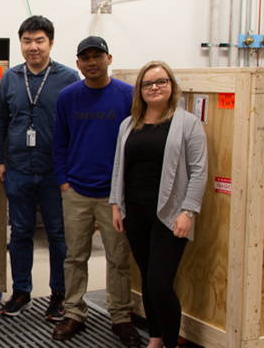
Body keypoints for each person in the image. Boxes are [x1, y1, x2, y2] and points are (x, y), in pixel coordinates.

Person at [109, 60, 208, 348]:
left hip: (170, 215)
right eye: (148, 83)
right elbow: (119, 166)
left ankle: (171, 342)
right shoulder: (129, 124)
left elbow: (200, 170)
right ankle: (155, 338)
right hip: (135, 214)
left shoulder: (187, 123)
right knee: (148, 283)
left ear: (171, 86)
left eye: (161, 82)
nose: (154, 87)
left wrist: (188, 211)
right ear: (139, 89)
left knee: (159, 284)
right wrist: (117, 205)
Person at [51, 36, 140, 346]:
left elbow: (136, 144)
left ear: (109, 58)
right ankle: (74, 311)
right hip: (75, 190)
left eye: (97, 56)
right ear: (78, 63)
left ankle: (120, 316)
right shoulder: (68, 96)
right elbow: (59, 141)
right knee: (75, 257)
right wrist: (63, 180)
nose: (91, 62)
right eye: (85, 57)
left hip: (114, 195)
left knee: (118, 258)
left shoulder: (128, 96)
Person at [0, 15, 79, 320]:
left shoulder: (68, 79)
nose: (33, 47)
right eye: (27, 41)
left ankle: (59, 294)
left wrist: (71, 169)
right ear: (21, 44)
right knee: (21, 233)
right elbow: (0, 119)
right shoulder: (10, 78)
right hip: (17, 168)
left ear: (51, 43)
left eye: (39, 40)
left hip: (56, 171)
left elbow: (76, 126)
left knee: (57, 234)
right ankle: (22, 292)